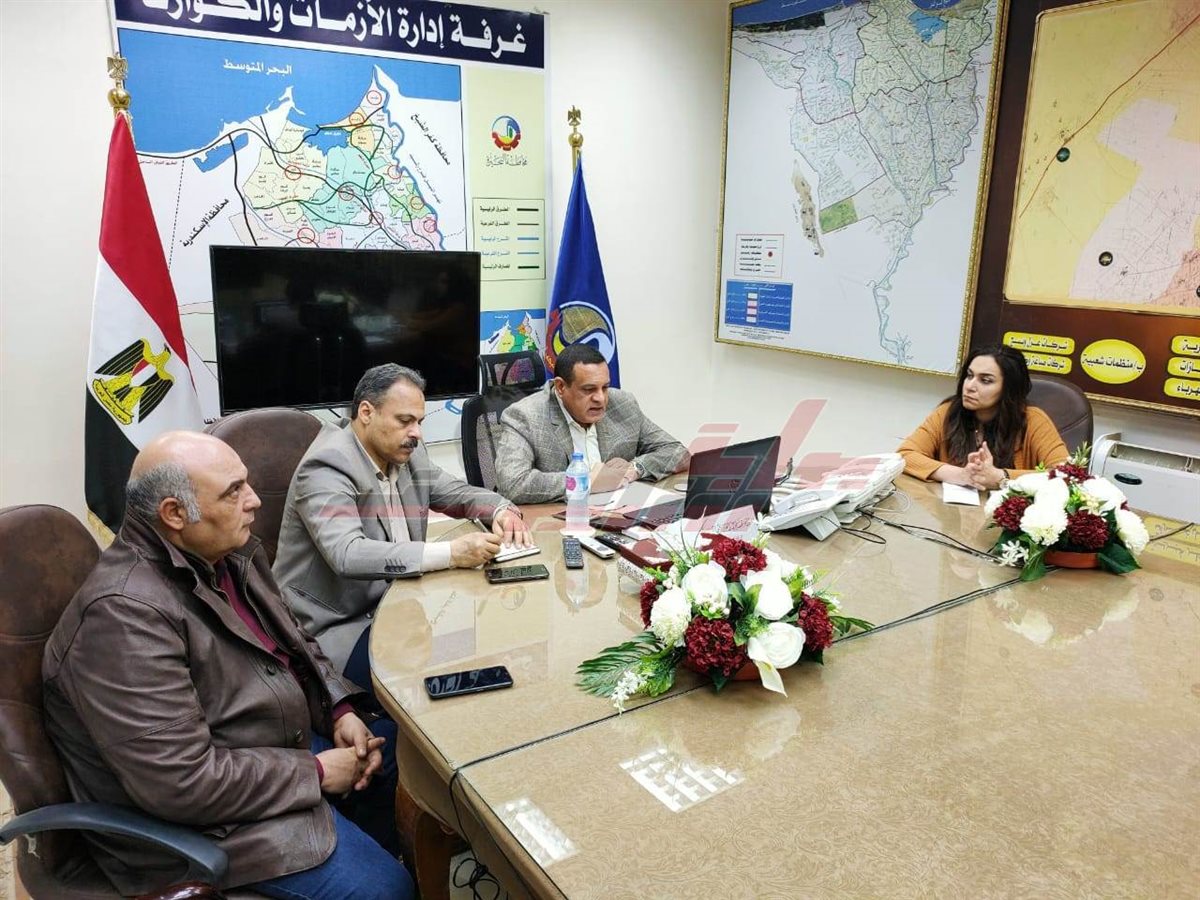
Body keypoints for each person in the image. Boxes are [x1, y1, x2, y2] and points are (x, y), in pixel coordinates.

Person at [42, 431, 413, 900]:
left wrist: (339, 710)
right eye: (234, 491)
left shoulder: (227, 553)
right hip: (203, 824)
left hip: (267, 747)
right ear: (174, 513)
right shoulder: (123, 617)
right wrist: (316, 772)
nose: (255, 501)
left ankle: (361, 844)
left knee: (401, 751)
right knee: (386, 889)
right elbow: (182, 782)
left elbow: (296, 643)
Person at [274, 363, 530, 685]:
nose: (416, 433)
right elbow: (348, 553)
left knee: (479, 662)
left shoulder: (407, 453)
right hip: (338, 626)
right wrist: (451, 553)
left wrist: (501, 510)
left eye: (419, 422)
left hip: (400, 607)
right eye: (404, 421)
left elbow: (458, 494)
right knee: (432, 684)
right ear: (366, 412)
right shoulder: (328, 466)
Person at [495, 344, 690, 503]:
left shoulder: (622, 404)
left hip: (619, 512)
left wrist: (634, 469)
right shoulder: (525, 417)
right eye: (589, 390)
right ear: (561, 387)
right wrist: (587, 481)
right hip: (561, 521)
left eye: (604, 387)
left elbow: (677, 452)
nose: (600, 398)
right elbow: (513, 485)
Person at [897, 344, 1069, 490]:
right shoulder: (948, 412)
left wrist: (1001, 477)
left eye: (985, 380)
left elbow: (1066, 475)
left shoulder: (1033, 420)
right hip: (950, 514)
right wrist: (961, 475)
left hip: (1010, 516)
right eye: (969, 375)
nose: (970, 386)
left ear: (1008, 388)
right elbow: (904, 455)